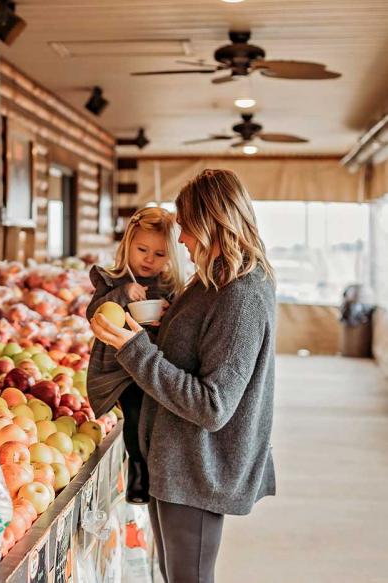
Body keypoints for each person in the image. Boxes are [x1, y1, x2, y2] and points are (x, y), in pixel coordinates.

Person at [90, 169, 277, 583]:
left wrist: (132, 348)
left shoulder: (240, 296)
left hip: (197, 467)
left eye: (187, 226)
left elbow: (213, 406)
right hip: (176, 461)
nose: (181, 239)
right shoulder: (211, 282)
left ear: (213, 223)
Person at [84, 206, 185, 505]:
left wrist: (166, 319)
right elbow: (93, 314)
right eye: (142, 249)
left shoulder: (169, 287)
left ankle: (156, 471)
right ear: (128, 244)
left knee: (156, 419)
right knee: (134, 413)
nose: (149, 260)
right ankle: (138, 475)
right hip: (117, 367)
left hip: (152, 365)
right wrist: (123, 294)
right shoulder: (112, 280)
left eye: (160, 254)